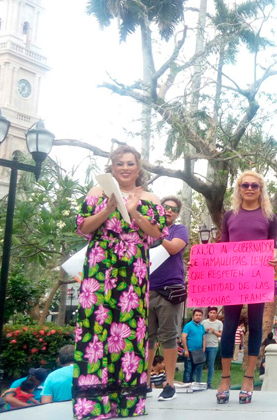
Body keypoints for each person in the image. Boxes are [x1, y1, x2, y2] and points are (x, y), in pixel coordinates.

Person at [73, 145, 166, 418]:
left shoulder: (150, 197)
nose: (125, 168)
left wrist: (134, 212)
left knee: (129, 327)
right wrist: (109, 209)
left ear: (138, 168)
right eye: (119, 163)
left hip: (133, 266)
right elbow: (83, 227)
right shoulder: (97, 193)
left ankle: (128, 403)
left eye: (130, 163)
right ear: (111, 167)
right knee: (95, 326)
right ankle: (94, 404)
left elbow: (157, 233)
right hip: (100, 263)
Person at [217, 170, 277, 405]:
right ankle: (224, 379)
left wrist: (274, 259)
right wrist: (202, 263)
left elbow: (273, 246)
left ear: (261, 189)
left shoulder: (270, 217)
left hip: (258, 278)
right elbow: (221, 248)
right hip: (232, 277)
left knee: (255, 326)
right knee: (229, 326)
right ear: (239, 189)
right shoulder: (229, 216)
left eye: (255, 185)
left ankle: (249, 378)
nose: (250, 189)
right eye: (245, 185)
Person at [147, 194, 189, 402]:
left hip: (169, 291)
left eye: (174, 209)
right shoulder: (145, 228)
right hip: (146, 288)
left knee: (169, 337)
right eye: (166, 207)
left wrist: (156, 234)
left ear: (177, 214)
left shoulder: (179, 230)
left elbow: (173, 248)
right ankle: (145, 382)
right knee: (147, 338)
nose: (170, 210)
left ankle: (170, 384)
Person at [182, 309, 206, 383]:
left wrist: (203, 349)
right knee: (188, 369)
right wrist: (186, 350)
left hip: (198, 352)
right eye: (196, 315)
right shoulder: (188, 325)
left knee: (194, 370)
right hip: (189, 351)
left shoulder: (201, 327)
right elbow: (183, 337)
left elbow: (204, 338)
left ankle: (192, 384)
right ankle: (186, 384)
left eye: (200, 315)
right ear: (193, 316)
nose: (198, 317)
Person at [202, 307, 223, 389]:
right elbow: (200, 332)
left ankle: (209, 383)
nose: (212, 314)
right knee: (200, 364)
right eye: (211, 312)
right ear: (208, 313)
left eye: (214, 313)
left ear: (217, 314)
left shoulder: (219, 323)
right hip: (203, 346)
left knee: (211, 364)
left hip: (213, 346)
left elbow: (221, 334)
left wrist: (214, 331)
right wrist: (205, 331)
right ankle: (199, 381)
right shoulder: (204, 322)